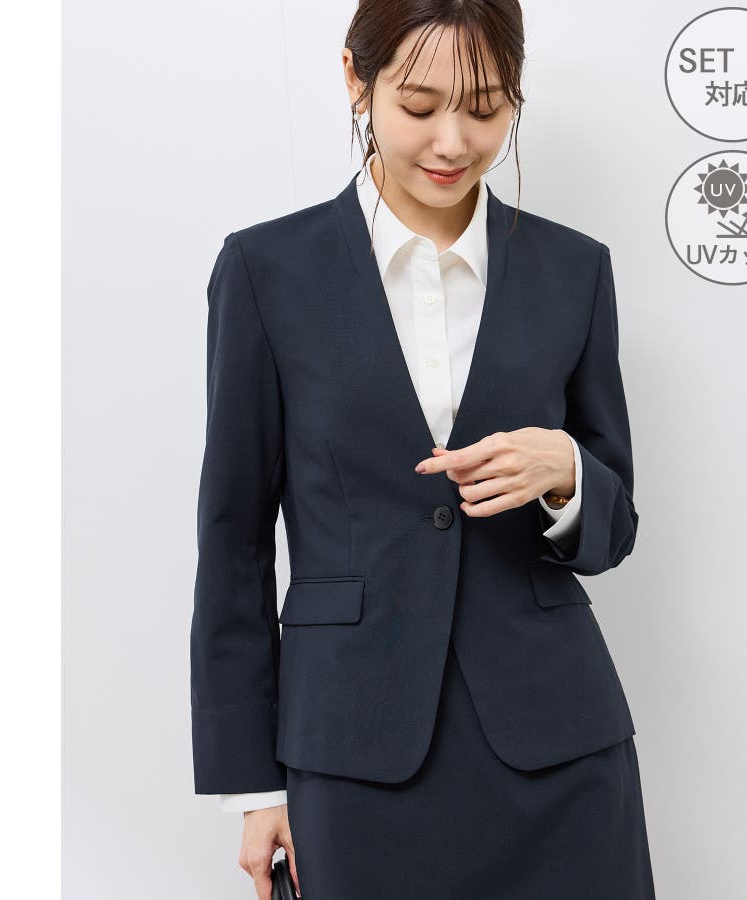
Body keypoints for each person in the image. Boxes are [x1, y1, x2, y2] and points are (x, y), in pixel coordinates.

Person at [190, 2, 656, 898]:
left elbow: (617, 525)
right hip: (350, 750)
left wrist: (567, 473)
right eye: (418, 105)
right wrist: (253, 785)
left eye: (485, 109)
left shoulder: (573, 270)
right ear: (356, 80)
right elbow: (234, 541)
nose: (452, 142)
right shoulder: (266, 271)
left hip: (559, 749)